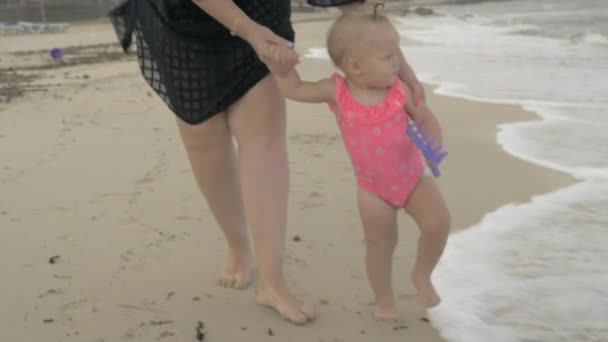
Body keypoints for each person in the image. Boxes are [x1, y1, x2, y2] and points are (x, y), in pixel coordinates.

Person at [108, 0, 312, 324]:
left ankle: (272, 281)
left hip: (261, 10)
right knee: (204, 138)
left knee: (264, 132)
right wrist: (246, 28)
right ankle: (238, 244)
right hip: (181, 20)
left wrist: (381, 41)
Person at [265, 13, 451, 321]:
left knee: (438, 224)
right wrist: (281, 70)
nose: (398, 64)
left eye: (397, 53)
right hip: (372, 191)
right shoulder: (336, 92)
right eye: (389, 57)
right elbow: (295, 90)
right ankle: (384, 301)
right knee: (379, 245)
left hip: (414, 178)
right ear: (354, 66)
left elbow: (426, 118)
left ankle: (422, 274)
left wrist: (435, 147)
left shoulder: (399, 91)